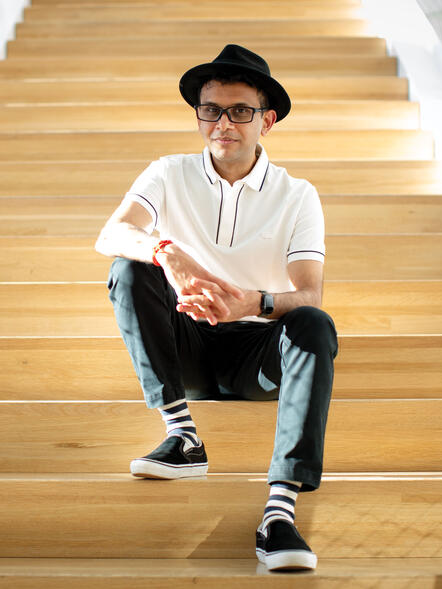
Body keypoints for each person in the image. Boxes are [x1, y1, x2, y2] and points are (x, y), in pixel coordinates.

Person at [94, 44, 338, 572]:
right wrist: (166, 251)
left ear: (266, 121)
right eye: (211, 110)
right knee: (130, 266)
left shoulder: (298, 195)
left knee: (314, 324)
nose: (223, 123)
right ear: (199, 115)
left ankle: (279, 512)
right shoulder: (168, 172)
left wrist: (251, 302)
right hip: (187, 344)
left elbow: (309, 292)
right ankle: (182, 436)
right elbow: (112, 232)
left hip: (258, 356)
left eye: (240, 111)